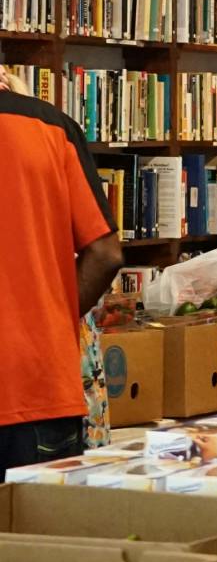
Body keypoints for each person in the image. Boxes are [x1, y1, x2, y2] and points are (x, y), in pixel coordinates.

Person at [0, 74, 122, 473]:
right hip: (39, 384)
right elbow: (105, 254)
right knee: (42, 534)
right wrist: (51, 316)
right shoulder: (50, 126)